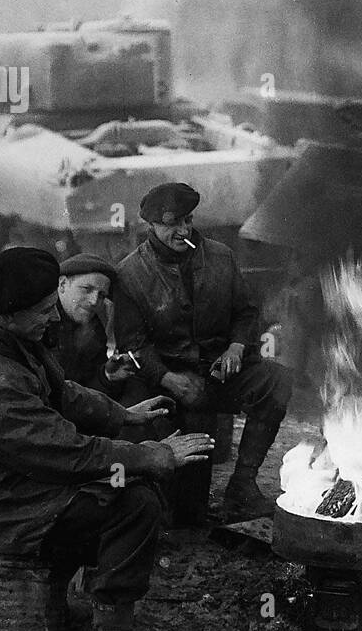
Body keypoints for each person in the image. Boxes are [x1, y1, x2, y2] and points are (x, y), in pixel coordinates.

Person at [0, 246, 212, 631]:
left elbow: (61, 393)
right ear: (10, 315)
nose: (54, 318)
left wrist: (123, 415)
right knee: (135, 501)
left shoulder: (1, 337)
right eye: (43, 311)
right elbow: (67, 453)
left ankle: (88, 597)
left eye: (53, 304)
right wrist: (154, 455)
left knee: (124, 483)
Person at [114, 182, 291, 523]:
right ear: (151, 225)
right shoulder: (131, 274)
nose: (183, 230)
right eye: (173, 223)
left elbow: (246, 312)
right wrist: (168, 378)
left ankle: (242, 484)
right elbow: (132, 346)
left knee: (276, 380)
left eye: (188, 220)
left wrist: (237, 348)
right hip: (166, 383)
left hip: (219, 373)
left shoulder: (220, 257)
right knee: (187, 514)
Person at [53, 253, 131, 395]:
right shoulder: (40, 322)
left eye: (101, 295)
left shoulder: (94, 328)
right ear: (62, 284)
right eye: (87, 289)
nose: (94, 301)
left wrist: (107, 375)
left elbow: (87, 387)